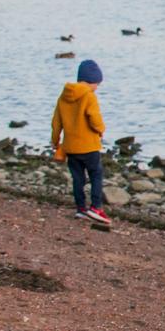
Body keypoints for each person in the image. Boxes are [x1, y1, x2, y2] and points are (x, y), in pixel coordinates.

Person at [51, 59, 111, 227]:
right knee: (96, 175)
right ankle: (96, 207)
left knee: (78, 178)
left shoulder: (64, 96)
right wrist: (101, 129)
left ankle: (80, 208)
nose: (97, 87)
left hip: (71, 147)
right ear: (92, 81)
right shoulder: (89, 96)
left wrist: (55, 141)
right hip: (89, 146)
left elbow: (56, 122)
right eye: (97, 84)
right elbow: (94, 118)